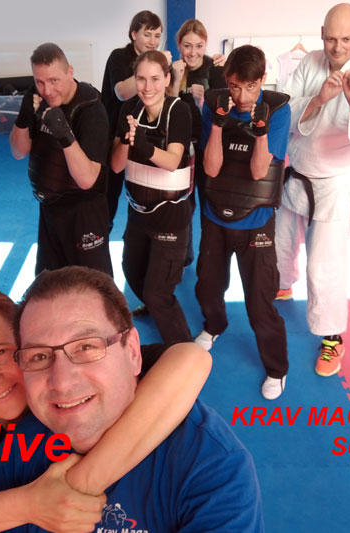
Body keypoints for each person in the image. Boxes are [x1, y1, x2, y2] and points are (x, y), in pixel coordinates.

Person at [0, 284, 211, 532]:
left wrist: (84, 482)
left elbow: (190, 359)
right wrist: (31, 504)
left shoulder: (79, 371)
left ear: (29, 341)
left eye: (0, 352)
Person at [0, 266, 263, 532]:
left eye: (86, 347)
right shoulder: (20, 446)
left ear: (133, 352)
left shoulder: (213, 468)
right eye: (39, 356)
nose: (61, 382)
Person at [273, 3, 350, 377]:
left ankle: (332, 337)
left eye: (345, 39)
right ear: (321, 34)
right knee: (280, 242)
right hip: (298, 172)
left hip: (336, 182)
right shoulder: (309, 62)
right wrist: (320, 99)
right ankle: (283, 284)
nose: (337, 47)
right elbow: (283, 110)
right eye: (330, 38)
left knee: (324, 266)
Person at [193, 44, 291, 400]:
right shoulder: (216, 102)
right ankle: (214, 325)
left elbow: (259, 170)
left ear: (262, 80)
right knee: (208, 284)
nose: (243, 96)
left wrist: (261, 131)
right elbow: (211, 168)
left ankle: (277, 369)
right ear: (227, 79)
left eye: (250, 87)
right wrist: (218, 124)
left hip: (256, 220)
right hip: (215, 214)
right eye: (235, 86)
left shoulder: (277, 109)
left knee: (260, 302)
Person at [110, 51, 194, 344]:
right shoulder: (129, 110)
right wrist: (124, 140)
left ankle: (184, 352)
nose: (148, 87)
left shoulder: (178, 111)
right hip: (138, 213)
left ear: (167, 79)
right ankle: (155, 306)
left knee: (158, 293)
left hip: (170, 217)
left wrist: (145, 147)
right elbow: (116, 166)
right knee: (132, 271)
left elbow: (172, 161)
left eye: (155, 79)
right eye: (141, 79)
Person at [10, 43, 113, 276]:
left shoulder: (91, 111)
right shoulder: (37, 98)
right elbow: (18, 152)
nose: (47, 90)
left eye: (54, 80)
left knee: (92, 285)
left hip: (84, 212)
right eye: (40, 81)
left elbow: (87, 179)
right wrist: (23, 119)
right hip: (49, 209)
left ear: (70, 72)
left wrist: (65, 135)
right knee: (49, 283)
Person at [100, 10, 172, 230]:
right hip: (114, 135)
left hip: (142, 136)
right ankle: (102, 232)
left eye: (157, 36)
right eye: (147, 34)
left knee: (143, 190)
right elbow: (122, 92)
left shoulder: (157, 62)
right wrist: (149, 69)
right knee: (109, 192)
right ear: (133, 34)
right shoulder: (119, 56)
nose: (153, 41)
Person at [166, 18, 228, 267]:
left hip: (208, 146)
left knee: (210, 203)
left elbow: (224, 111)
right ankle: (184, 254)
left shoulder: (215, 69)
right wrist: (174, 79)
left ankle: (211, 257)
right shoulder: (172, 69)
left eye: (199, 46)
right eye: (187, 46)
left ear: (206, 45)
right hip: (180, 148)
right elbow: (167, 109)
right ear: (179, 45)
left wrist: (204, 103)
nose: (193, 52)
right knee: (183, 204)